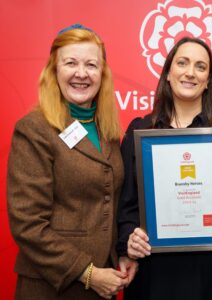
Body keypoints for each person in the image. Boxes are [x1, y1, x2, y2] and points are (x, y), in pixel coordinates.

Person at [117, 37, 212, 300]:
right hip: (159, 273)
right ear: (167, 73)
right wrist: (129, 239)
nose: (190, 72)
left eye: (201, 66)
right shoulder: (140, 130)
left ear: (208, 80)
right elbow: (126, 206)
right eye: (182, 63)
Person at [7, 24, 129, 300]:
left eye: (91, 65)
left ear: (103, 74)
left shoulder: (107, 131)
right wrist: (88, 273)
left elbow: (111, 201)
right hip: (52, 286)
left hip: (104, 283)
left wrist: (122, 252)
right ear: (54, 70)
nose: (81, 73)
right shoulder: (34, 128)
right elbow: (27, 224)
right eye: (71, 63)